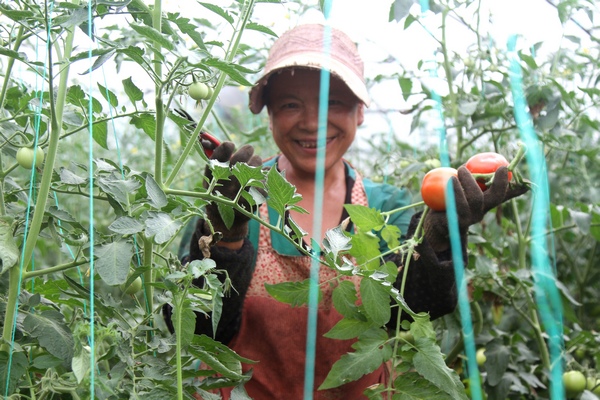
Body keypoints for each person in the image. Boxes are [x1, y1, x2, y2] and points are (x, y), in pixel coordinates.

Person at [164, 23, 528, 399]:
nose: (312, 122)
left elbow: (412, 309)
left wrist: (438, 235)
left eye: (333, 103)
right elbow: (191, 331)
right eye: (290, 104)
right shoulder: (235, 201)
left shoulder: (386, 208)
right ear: (269, 114)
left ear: (360, 112)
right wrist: (226, 237)